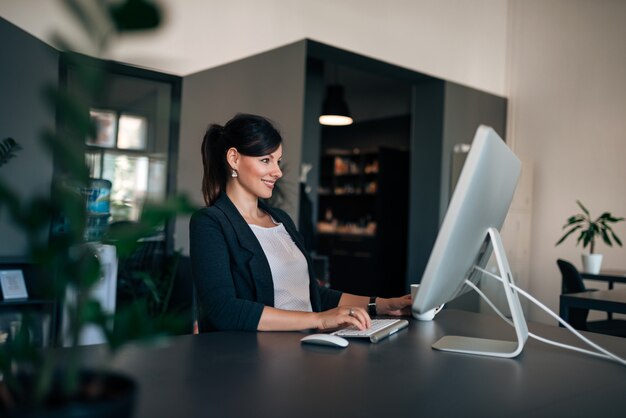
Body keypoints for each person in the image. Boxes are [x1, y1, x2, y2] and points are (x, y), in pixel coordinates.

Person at [189, 113, 411, 332]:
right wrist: (319, 320)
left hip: (307, 343)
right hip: (258, 357)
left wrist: (381, 304)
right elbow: (224, 310)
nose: (277, 172)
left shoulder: (280, 219)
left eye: (278, 161)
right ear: (233, 158)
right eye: (265, 160)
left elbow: (310, 293)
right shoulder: (210, 223)